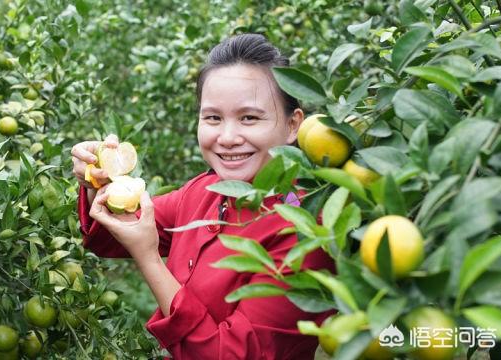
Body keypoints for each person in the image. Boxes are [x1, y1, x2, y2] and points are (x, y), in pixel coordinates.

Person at [71, 33, 335, 359]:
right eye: (212, 117)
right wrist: (97, 178)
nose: (227, 137)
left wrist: (149, 259)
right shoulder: (204, 192)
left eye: (249, 118)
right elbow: (109, 235)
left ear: (294, 125)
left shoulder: (305, 229)